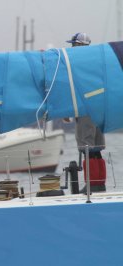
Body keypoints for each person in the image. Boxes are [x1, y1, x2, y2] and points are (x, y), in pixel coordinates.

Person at [66, 32, 106, 193]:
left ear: (80, 46)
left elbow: (73, 88)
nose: (71, 47)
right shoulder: (96, 62)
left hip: (84, 109)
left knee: (86, 146)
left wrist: (68, 109)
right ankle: (99, 183)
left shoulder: (77, 63)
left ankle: (91, 185)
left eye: (74, 44)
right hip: (98, 107)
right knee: (97, 147)